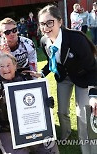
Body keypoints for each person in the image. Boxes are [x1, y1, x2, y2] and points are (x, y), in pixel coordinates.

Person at [29, 4, 97, 154]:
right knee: (61, 111)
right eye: (42, 24)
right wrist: (42, 73)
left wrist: (93, 95)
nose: (45, 27)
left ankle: (88, 150)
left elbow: (93, 69)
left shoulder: (77, 39)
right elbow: (52, 61)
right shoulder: (43, 41)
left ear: (60, 21)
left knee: (82, 115)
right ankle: (65, 134)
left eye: (49, 22)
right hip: (63, 78)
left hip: (82, 77)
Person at [0, 53, 59, 154]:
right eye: (1, 66)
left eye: (9, 65)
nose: (5, 69)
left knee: (51, 150)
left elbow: (36, 102)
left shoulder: (27, 79)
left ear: (15, 66)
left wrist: (46, 102)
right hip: (8, 130)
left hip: (33, 126)